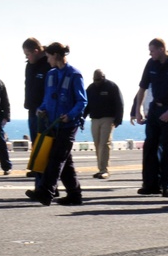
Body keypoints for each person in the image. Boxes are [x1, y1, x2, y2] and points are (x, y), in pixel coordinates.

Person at [25, 42, 88, 206]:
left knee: (56, 158)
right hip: (53, 124)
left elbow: (82, 101)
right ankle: (75, 194)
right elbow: (47, 98)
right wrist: (41, 109)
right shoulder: (51, 74)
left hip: (68, 125)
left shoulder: (75, 75)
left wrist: (71, 115)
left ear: (56, 56)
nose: (47, 60)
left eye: (48, 57)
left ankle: (46, 192)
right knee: (65, 162)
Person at [133, 38, 168, 197]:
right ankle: (150, 184)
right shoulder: (151, 63)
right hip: (154, 110)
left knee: (167, 148)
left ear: (161, 49)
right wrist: (138, 109)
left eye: (152, 50)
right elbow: (142, 87)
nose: (150, 54)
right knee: (150, 147)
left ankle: (166, 184)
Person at [83, 69, 124, 179]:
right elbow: (86, 105)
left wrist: (118, 119)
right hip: (95, 119)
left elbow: (119, 103)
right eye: (95, 79)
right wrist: (82, 117)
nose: (97, 82)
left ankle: (104, 169)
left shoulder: (111, 86)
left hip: (108, 118)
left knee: (104, 143)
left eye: (99, 79)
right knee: (97, 144)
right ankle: (100, 168)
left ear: (103, 77)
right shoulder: (91, 88)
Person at [22, 38, 51, 144]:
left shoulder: (48, 65)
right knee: (36, 144)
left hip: (44, 112)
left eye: (28, 54)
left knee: (44, 144)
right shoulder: (29, 66)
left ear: (36, 51)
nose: (26, 57)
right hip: (32, 110)